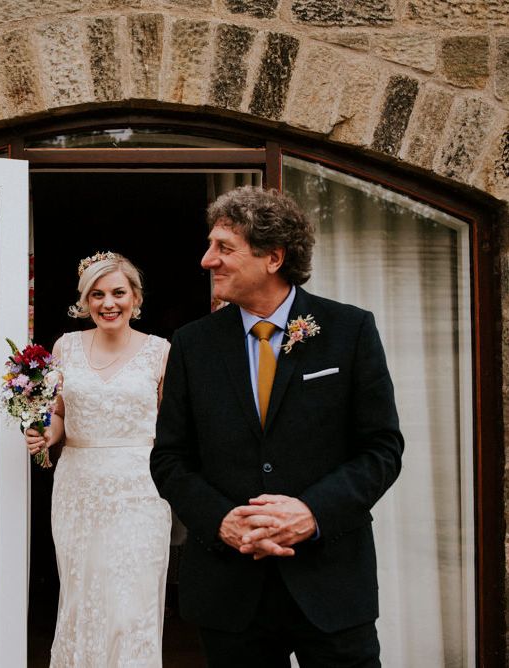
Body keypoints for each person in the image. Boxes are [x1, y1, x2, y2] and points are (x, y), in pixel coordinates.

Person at [150, 187, 404, 667]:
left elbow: (382, 449)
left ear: (274, 257)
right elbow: (169, 459)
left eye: (224, 248)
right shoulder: (191, 345)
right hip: (230, 591)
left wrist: (312, 512)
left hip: (331, 586)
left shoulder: (349, 331)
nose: (208, 260)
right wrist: (221, 521)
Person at [25, 251, 172, 667]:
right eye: (97, 294)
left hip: (139, 491)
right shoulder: (66, 347)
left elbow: (173, 428)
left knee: (130, 605)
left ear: (135, 298)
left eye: (118, 293)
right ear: (84, 301)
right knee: (82, 597)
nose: (109, 303)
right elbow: (58, 414)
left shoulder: (159, 351)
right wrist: (44, 434)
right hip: (79, 489)